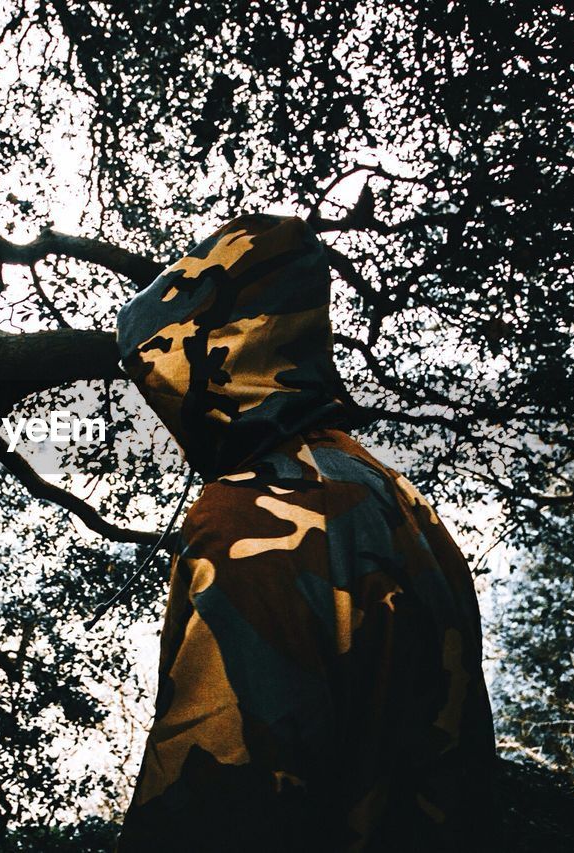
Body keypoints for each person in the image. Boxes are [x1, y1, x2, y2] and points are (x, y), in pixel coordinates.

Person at [113, 213, 497, 852]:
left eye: (158, 379)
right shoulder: (393, 495)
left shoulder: (250, 513)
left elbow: (215, 798)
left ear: (211, 354)